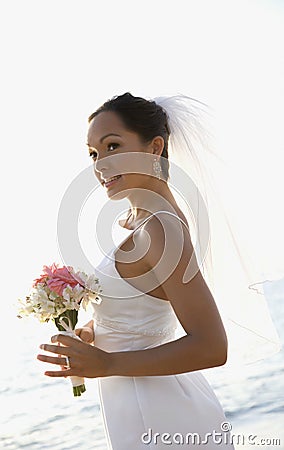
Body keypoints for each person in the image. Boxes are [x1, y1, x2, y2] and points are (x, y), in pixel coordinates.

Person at [37, 92, 279, 449]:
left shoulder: (160, 230)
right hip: (139, 406)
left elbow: (213, 346)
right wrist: (91, 333)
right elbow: (144, 313)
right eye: (93, 153)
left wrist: (106, 363)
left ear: (154, 148)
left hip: (161, 414)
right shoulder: (141, 224)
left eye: (113, 146)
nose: (100, 164)